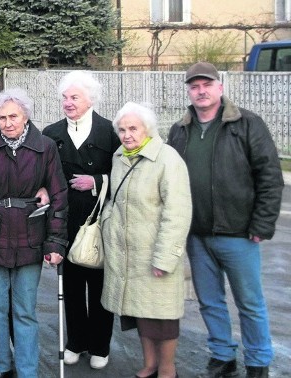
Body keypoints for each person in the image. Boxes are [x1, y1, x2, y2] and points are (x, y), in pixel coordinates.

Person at [167, 62, 284, 378]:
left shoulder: (246, 124)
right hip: (197, 235)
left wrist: (261, 225)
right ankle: (222, 355)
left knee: (249, 302)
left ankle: (258, 360)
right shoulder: (180, 130)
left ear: (219, 87)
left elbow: (270, 177)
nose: (201, 91)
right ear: (189, 91)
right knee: (210, 302)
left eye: (207, 84)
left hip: (240, 234)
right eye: (194, 86)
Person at [0, 88, 68, 378]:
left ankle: (28, 371)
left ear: (26, 115)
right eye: (2, 117)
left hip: (30, 237)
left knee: (24, 311)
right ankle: (3, 368)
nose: (7, 122)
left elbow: (58, 196)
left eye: (13, 116)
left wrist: (55, 242)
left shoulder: (45, 147)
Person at [101, 102, 192, 378]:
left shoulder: (167, 159)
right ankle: (150, 365)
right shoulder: (120, 157)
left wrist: (165, 257)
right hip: (127, 255)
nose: (127, 134)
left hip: (155, 253)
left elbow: (177, 213)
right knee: (140, 314)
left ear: (147, 129)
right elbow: (114, 200)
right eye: (122, 129)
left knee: (162, 318)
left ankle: (167, 370)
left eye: (133, 128)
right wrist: (108, 224)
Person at [42, 70, 120, 369]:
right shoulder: (51, 133)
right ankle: (75, 342)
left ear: (91, 99)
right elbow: (42, 173)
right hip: (64, 222)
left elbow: (126, 176)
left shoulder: (110, 131)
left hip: (100, 223)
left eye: (74, 97)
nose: (67, 102)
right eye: (64, 97)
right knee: (71, 288)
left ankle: (100, 346)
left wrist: (98, 181)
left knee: (100, 287)